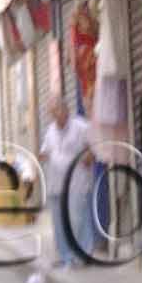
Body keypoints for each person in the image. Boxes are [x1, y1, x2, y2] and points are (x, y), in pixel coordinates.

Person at [39, 96, 95, 268]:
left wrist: (89, 157)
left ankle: (83, 255)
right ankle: (65, 256)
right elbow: (45, 151)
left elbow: (93, 146)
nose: (55, 115)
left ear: (66, 110)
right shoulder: (50, 130)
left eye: (58, 110)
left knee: (77, 218)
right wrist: (40, 158)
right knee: (59, 221)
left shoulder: (81, 126)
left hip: (76, 181)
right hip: (56, 182)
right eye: (52, 112)